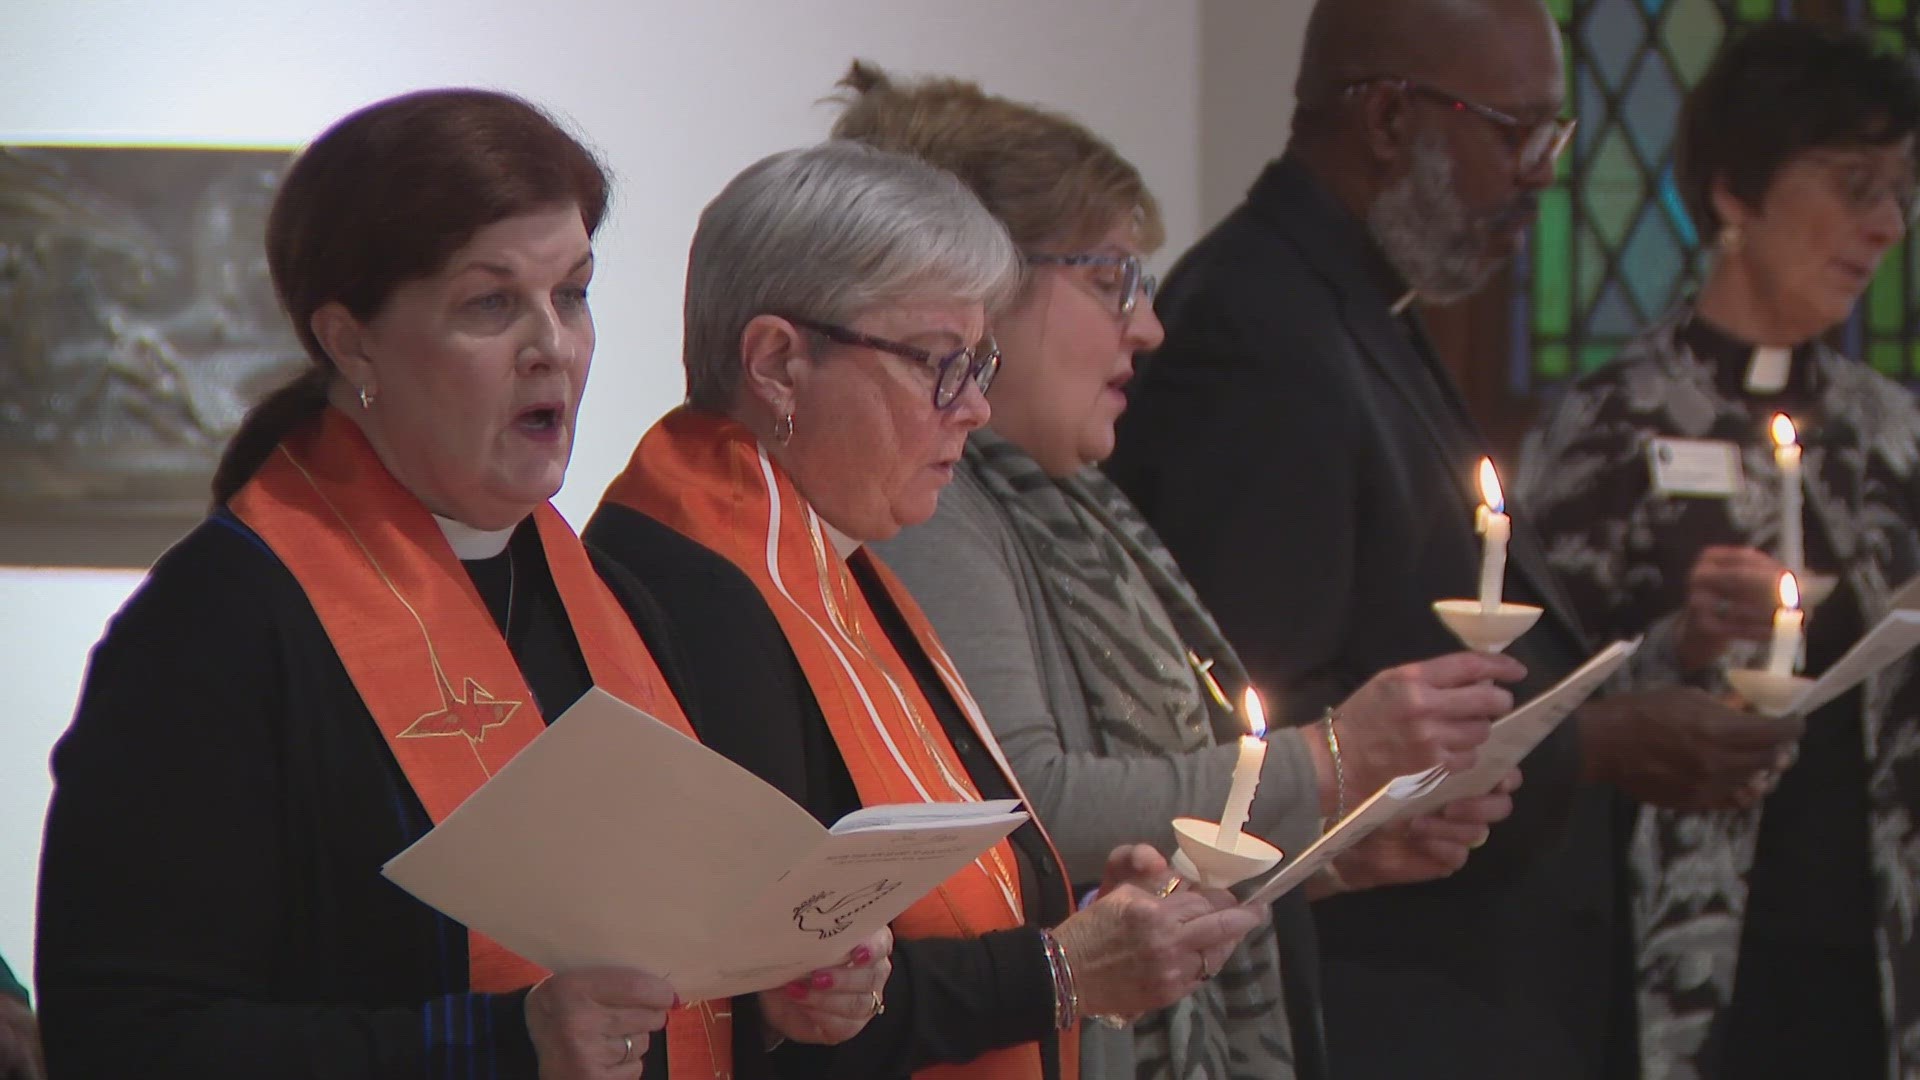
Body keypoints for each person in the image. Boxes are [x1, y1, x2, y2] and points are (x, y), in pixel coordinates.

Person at [34, 89, 881, 1080]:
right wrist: (495, 1047)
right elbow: (124, 1039)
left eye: (572, 293)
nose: (553, 346)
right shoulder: (218, 626)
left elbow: (645, 973)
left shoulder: (615, 601)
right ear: (352, 341)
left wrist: (768, 988)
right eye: (492, 303)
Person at [1105, 1, 1804, 1076]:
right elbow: (1252, 718)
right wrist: (1594, 743)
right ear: (1389, 117)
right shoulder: (1258, 335)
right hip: (1382, 999)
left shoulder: (1349, 299)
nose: (1542, 176)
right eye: (1517, 131)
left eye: (1554, 139)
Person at [837, 61, 1526, 1080]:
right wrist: (1336, 758)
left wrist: (1323, 855)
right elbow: (1036, 808)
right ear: (982, 281)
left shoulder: (1075, 500)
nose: (1147, 327)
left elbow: (1147, 846)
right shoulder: (932, 511)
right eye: (1111, 277)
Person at [585, 140, 1266, 1080]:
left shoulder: (827, 551)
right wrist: (1061, 969)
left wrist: (1068, 907)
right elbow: (769, 1000)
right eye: (941, 364)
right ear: (779, 363)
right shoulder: (689, 589)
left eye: (979, 364)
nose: (975, 409)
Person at [1519, 24, 1920, 1079]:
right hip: (1677, 954)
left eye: (1900, 190)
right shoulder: (1609, 426)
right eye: (1853, 183)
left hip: (1879, 949)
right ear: (1736, 189)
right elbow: (1533, 703)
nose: (1887, 224)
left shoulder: (1894, 431)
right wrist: (1678, 641)